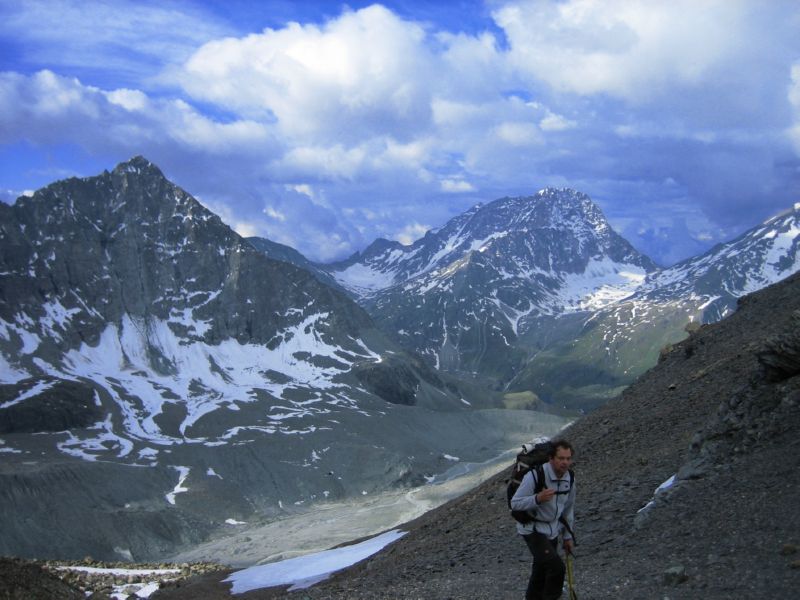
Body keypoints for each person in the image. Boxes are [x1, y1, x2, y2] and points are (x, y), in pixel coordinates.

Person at [510, 439, 576, 600]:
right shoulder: (535, 475)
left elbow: (568, 508)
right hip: (532, 529)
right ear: (551, 458)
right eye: (561, 458)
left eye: (568, 458)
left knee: (540, 573)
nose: (565, 463)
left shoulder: (570, 478)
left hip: (552, 531)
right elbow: (515, 503)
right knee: (556, 568)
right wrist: (537, 498)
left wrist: (567, 537)